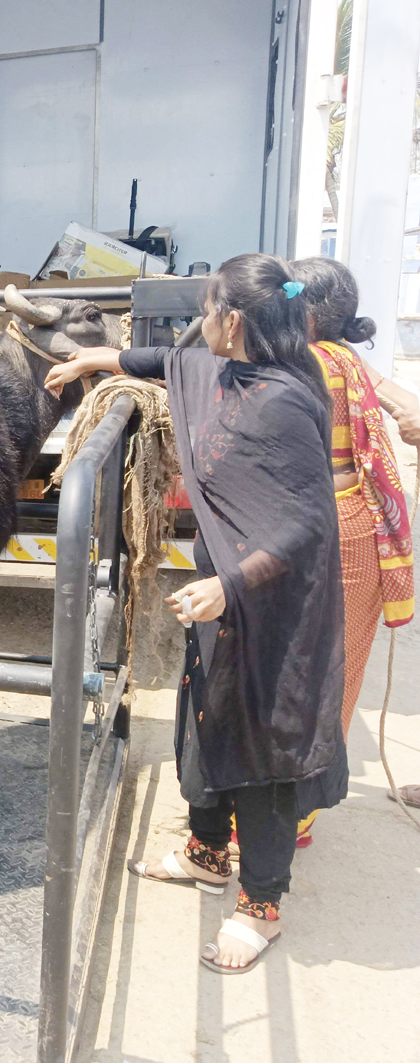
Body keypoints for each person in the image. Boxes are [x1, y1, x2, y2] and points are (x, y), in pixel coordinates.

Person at [43, 254, 345, 974]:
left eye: (203, 313)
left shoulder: (281, 401)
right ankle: (208, 852)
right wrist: (104, 356)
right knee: (205, 712)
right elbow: (169, 363)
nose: (194, 327)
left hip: (271, 605)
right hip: (227, 590)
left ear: (231, 322)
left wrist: (230, 584)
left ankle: (262, 904)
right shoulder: (229, 372)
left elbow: (310, 523)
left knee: (261, 744)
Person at [289, 257, 415, 830]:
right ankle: (304, 810)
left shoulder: (302, 361)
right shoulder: (349, 359)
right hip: (360, 528)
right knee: (340, 670)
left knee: (296, 670)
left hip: (320, 530)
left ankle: (281, 816)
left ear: (306, 311)